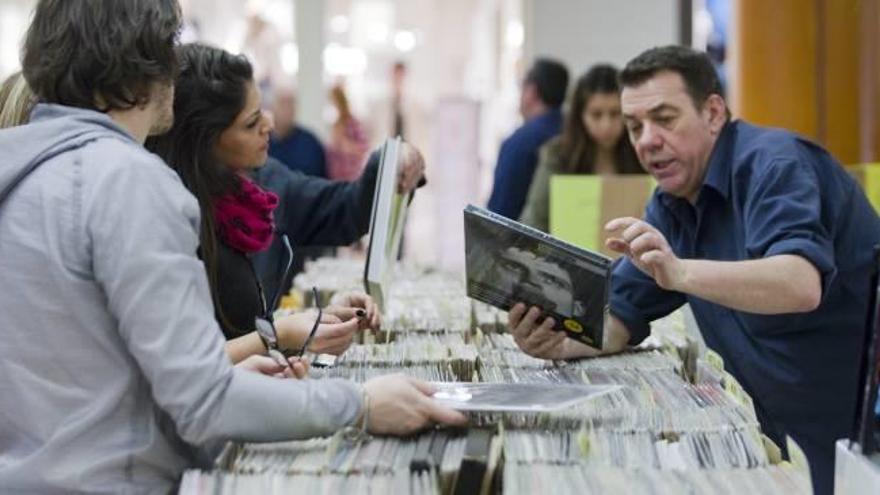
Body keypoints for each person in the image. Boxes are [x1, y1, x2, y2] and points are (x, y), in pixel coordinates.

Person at [0, 2, 464, 492]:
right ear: (146, 67)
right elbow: (204, 403)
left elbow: (90, 376)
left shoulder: (23, 172)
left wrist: (244, 371)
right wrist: (363, 404)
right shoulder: (128, 182)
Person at [507, 45, 880, 495]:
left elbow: (799, 284)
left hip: (854, 435)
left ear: (714, 113)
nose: (646, 140)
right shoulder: (670, 201)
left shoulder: (774, 165)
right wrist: (559, 341)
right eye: (635, 127)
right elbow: (621, 317)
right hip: (773, 438)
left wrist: (680, 272)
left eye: (664, 119)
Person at [146, 43, 390, 363]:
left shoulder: (250, 193)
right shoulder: (171, 222)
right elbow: (179, 364)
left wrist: (314, 322)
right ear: (205, 141)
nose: (269, 124)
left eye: (263, 110)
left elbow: (339, 208)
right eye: (251, 122)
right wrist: (282, 334)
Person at [519, 64, 641, 232]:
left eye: (615, 114)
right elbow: (534, 223)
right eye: (596, 115)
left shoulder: (642, 152)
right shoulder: (557, 155)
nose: (606, 125)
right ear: (580, 115)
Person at [487, 57, 569, 220]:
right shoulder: (575, 136)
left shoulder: (520, 142)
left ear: (531, 91)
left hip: (523, 242)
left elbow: (500, 214)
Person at [268, 85, 328, 178]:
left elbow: (323, 182)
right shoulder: (261, 143)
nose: (288, 109)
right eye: (283, 103)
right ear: (271, 107)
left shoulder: (311, 143)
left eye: (291, 103)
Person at [326, 83, 370, 181]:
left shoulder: (353, 124)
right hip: (335, 180)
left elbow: (364, 148)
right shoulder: (336, 125)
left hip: (351, 178)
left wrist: (346, 146)